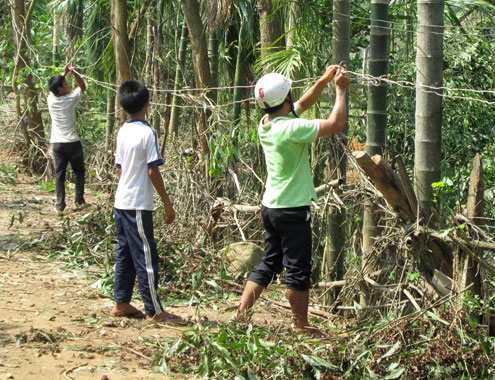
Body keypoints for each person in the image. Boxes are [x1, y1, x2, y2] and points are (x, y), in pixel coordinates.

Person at [236, 66, 350, 333]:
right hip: (291, 210)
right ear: (285, 99)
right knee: (298, 268)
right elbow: (335, 124)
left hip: (271, 208)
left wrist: (322, 81)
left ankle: (241, 314)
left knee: (270, 262)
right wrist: (341, 91)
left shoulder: (267, 124)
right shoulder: (291, 129)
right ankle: (300, 324)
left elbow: (300, 105)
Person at [112, 80, 183, 323]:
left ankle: (121, 302)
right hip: (138, 205)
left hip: (121, 202)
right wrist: (167, 202)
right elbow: (153, 170)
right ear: (147, 104)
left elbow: (120, 169)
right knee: (146, 256)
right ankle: (154, 310)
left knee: (125, 252)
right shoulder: (147, 132)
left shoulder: (122, 130)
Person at [48, 65, 89, 213]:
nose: (68, 84)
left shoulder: (51, 99)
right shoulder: (71, 99)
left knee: (59, 174)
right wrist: (74, 73)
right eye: (65, 84)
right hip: (72, 143)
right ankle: (79, 200)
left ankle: (60, 204)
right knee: (79, 171)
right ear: (60, 89)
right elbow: (82, 86)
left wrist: (64, 73)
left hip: (58, 144)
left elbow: (55, 85)